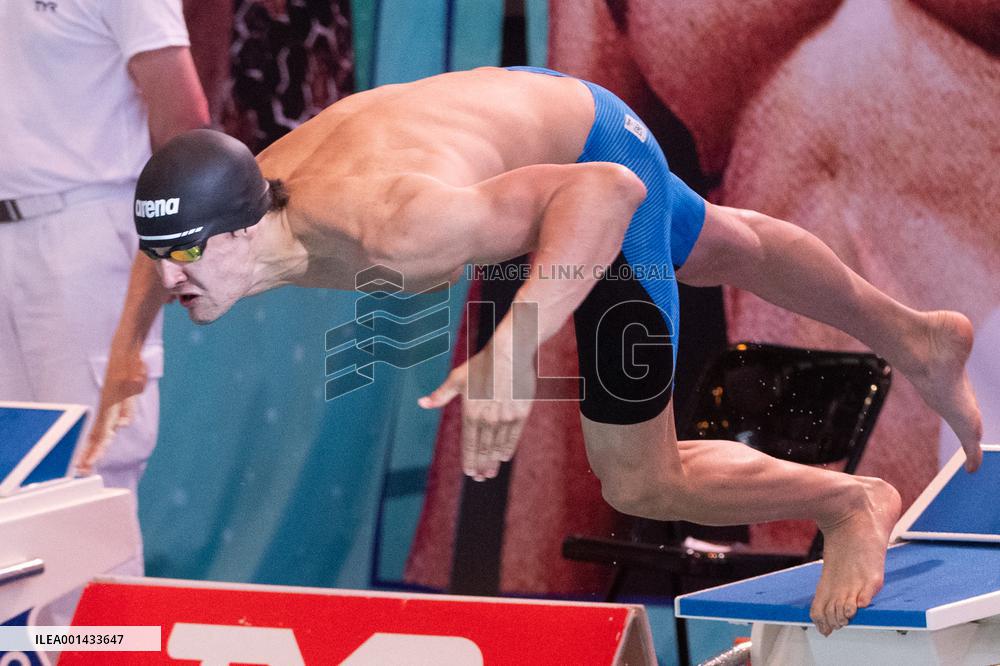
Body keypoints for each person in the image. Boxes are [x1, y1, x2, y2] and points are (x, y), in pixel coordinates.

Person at [82, 66, 982, 636]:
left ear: (245, 228)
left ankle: (851, 502)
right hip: (537, 124)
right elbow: (154, 249)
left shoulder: (398, 226)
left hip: (589, 161)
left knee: (640, 478)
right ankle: (921, 335)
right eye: (163, 257)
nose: (169, 279)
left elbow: (606, 189)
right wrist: (126, 356)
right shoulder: (229, 214)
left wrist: (513, 355)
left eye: (187, 257)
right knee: (719, 244)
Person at [0, 0, 208, 625]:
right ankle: (28, 655)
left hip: (84, 230)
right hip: (8, 234)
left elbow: (185, 124)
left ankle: (102, 656)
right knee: (15, 477)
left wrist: (173, 254)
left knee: (90, 484)